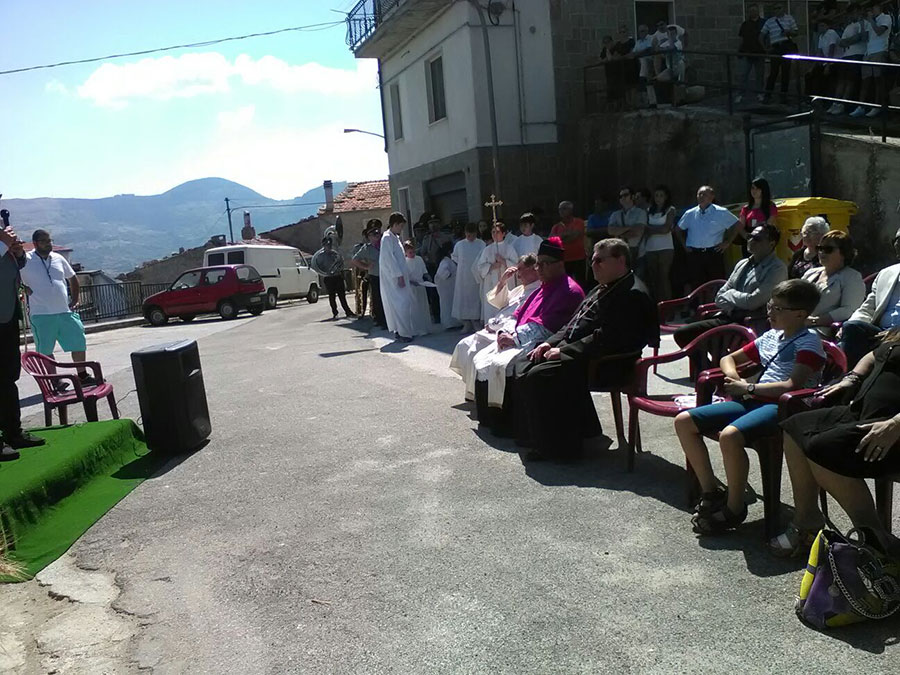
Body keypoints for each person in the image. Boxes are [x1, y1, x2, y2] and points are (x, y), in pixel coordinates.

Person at [674, 279, 825, 535]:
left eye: (778, 309)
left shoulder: (808, 343)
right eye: (770, 306)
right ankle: (711, 490)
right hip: (753, 401)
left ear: (800, 314)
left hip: (783, 407)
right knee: (684, 421)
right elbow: (728, 358)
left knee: (730, 436)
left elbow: (791, 385)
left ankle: (734, 508)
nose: (770, 313)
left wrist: (748, 388)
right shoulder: (771, 337)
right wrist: (734, 377)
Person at [510, 238, 658, 462]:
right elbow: (572, 323)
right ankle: (546, 436)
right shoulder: (602, 287)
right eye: (592, 260)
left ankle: (562, 449)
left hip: (609, 362)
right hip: (585, 352)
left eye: (599, 260)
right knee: (523, 362)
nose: (593, 265)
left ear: (620, 260)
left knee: (539, 375)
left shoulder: (632, 293)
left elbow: (610, 338)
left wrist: (564, 352)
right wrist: (550, 342)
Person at [774, 327, 900, 559]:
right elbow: (873, 356)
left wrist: (895, 424)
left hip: (891, 428)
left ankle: (874, 539)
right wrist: (852, 378)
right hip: (863, 413)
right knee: (795, 427)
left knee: (823, 448)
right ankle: (807, 520)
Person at [473, 237, 584, 418]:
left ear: (558, 265)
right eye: (537, 265)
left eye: (542, 265)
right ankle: (492, 419)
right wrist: (506, 332)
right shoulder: (544, 287)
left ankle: (508, 422)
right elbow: (518, 314)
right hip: (522, 334)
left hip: (544, 341)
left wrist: (514, 338)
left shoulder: (569, 291)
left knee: (501, 364)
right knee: (483, 358)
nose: (538, 269)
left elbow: (549, 325)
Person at [674, 224, 788, 348]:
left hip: (750, 323)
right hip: (729, 316)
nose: (750, 240)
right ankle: (715, 364)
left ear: (771, 244)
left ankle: (720, 362)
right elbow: (719, 298)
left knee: (699, 337)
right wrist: (736, 299)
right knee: (683, 334)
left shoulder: (777, 268)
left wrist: (731, 294)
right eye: (749, 236)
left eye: (757, 238)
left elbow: (753, 301)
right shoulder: (743, 264)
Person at [450, 255, 542, 401]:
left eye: (521, 270)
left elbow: (518, 318)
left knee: (476, 349)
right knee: (464, 344)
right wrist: (503, 281)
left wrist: (497, 327)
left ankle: (481, 394)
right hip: (497, 326)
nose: (518, 274)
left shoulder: (539, 291)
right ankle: (474, 391)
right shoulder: (520, 289)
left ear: (534, 270)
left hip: (508, 331)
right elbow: (500, 303)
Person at [21, 229, 98, 389]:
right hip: (41, 314)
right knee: (45, 350)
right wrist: (23, 288)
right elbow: (13, 278)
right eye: (44, 241)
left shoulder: (58, 258)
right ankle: (55, 381)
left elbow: (72, 278)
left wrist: (75, 299)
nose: (48, 244)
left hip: (64, 311)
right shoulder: (26, 260)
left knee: (78, 341)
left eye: (49, 240)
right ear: (35, 243)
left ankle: (82, 376)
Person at [0, 224, 44, 460]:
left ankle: (13, 432)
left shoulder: (2, 232)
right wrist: (4, 244)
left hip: (7, 315)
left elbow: (16, 266)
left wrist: (17, 252)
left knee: (8, 377)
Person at [839, 226, 900, 367]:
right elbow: (867, 308)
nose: (898, 245)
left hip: (896, 335)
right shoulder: (886, 273)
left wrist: (897, 334)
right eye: (897, 241)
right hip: (879, 333)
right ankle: (845, 378)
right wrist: (850, 324)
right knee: (852, 327)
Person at [802, 230, 867, 338]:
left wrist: (814, 321)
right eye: (819, 248)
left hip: (822, 330)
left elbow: (848, 310)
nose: (821, 252)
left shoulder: (852, 277)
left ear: (844, 253)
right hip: (795, 324)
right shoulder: (810, 273)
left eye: (828, 249)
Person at [674, 185, 739, 290]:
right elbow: (678, 229)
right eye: (699, 194)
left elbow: (737, 224)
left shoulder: (721, 212)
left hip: (713, 252)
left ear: (712, 196)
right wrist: (684, 245)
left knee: (715, 282)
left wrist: (727, 242)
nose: (701, 196)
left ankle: (715, 305)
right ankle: (699, 305)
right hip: (695, 253)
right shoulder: (690, 213)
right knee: (696, 283)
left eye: (704, 194)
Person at [379, 212, 420, 342]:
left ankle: (401, 330)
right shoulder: (386, 238)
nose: (401, 229)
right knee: (401, 304)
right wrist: (398, 275)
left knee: (401, 303)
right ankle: (404, 333)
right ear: (395, 224)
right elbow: (389, 260)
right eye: (400, 226)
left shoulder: (394, 237)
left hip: (400, 275)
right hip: (394, 278)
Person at [850, 2, 892, 118]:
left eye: (873, 8)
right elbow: (865, 37)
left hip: (879, 51)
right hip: (868, 52)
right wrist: (863, 24)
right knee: (866, 80)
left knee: (878, 80)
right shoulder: (869, 22)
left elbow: (879, 31)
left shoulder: (885, 18)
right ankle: (861, 106)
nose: (871, 11)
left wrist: (871, 20)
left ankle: (877, 106)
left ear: (878, 7)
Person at [474, 222, 519, 324]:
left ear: (503, 234)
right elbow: (480, 267)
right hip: (491, 282)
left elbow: (516, 265)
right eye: (493, 232)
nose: (495, 234)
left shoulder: (509, 248)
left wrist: (503, 261)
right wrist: (491, 266)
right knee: (492, 305)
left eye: (498, 232)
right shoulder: (487, 250)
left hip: (507, 282)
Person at [828, 3, 866, 115]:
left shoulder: (863, 24)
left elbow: (859, 38)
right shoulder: (849, 26)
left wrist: (848, 41)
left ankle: (843, 104)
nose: (852, 15)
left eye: (854, 12)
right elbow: (841, 43)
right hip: (846, 55)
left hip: (857, 54)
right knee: (842, 80)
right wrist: (849, 41)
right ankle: (835, 102)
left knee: (850, 81)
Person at [760, 3, 799, 104]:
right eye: (775, 8)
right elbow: (761, 35)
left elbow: (796, 32)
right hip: (776, 47)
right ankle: (768, 95)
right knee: (773, 72)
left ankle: (783, 96)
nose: (777, 10)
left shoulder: (789, 19)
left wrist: (788, 32)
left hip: (786, 46)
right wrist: (765, 49)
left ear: (783, 8)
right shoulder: (770, 21)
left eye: (779, 7)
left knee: (786, 72)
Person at [643, 185, 677, 301]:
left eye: (661, 196)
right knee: (653, 278)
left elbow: (666, 229)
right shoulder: (649, 210)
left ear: (666, 197)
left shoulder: (670, 209)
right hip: (650, 247)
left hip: (665, 247)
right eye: (656, 195)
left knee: (664, 277)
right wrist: (657, 229)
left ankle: (668, 306)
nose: (658, 198)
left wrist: (651, 229)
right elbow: (644, 228)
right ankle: (656, 304)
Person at [451, 222, 486, 332]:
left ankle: (476, 322)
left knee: (476, 298)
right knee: (464, 299)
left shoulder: (481, 244)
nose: (470, 237)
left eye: (472, 234)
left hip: (476, 276)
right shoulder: (460, 245)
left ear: (476, 233)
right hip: (463, 277)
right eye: (468, 234)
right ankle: (466, 323)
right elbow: (455, 257)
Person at [351, 219, 386, 329]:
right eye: (373, 234)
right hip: (375, 275)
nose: (376, 236)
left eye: (378, 233)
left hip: (388, 275)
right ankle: (381, 321)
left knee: (388, 298)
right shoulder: (367, 249)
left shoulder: (386, 243)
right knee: (377, 299)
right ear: (369, 236)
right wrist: (366, 267)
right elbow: (355, 260)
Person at [310, 236, 356, 320]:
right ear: (323, 245)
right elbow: (318, 266)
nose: (329, 246)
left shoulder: (335, 254)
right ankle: (335, 312)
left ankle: (348, 312)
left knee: (342, 296)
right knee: (332, 296)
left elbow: (341, 264)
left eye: (330, 245)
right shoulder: (320, 256)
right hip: (328, 278)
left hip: (337, 276)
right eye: (327, 245)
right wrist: (327, 271)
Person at [417, 215, 451, 323]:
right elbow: (423, 252)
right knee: (433, 292)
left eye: (435, 223)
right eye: (431, 223)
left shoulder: (445, 236)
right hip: (432, 266)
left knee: (446, 292)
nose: (433, 225)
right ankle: (437, 316)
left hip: (443, 266)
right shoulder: (427, 238)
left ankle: (447, 314)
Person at [607, 187, 647, 273]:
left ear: (632, 196)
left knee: (639, 281)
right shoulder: (615, 214)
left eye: (625, 195)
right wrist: (629, 227)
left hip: (638, 254)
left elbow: (638, 231)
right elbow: (610, 231)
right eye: (620, 196)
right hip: (620, 253)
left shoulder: (641, 213)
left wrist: (619, 232)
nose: (622, 198)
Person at [550, 201, 587, 288]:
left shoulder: (579, 222)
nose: (561, 211)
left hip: (579, 258)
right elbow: (551, 241)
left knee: (581, 284)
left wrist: (560, 238)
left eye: (564, 209)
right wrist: (566, 235)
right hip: (563, 260)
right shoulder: (556, 226)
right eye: (560, 209)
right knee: (565, 285)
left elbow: (574, 237)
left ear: (571, 210)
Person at [737, 177, 778, 255]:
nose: (754, 191)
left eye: (757, 188)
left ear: (763, 190)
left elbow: (770, 222)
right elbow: (740, 226)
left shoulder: (770, 206)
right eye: (752, 188)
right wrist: (746, 236)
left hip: (764, 240)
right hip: (749, 241)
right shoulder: (746, 208)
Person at [737, 4, 766, 104]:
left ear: (757, 11)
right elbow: (741, 38)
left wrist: (766, 49)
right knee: (743, 75)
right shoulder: (745, 24)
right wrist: (739, 50)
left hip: (759, 52)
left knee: (760, 75)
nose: (752, 12)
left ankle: (760, 93)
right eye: (750, 11)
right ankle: (741, 94)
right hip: (746, 52)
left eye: (754, 10)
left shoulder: (763, 23)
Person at [403, 240, 433, 337]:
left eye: (413, 252)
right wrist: (412, 282)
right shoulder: (404, 262)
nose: (412, 254)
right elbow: (405, 277)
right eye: (410, 252)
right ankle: (415, 329)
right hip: (411, 287)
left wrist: (427, 276)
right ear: (406, 253)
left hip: (420, 285)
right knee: (414, 308)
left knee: (422, 306)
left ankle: (424, 327)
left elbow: (424, 271)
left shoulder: (419, 259)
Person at [434, 243, 462, 330]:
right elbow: (442, 273)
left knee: (450, 304)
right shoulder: (445, 261)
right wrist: (449, 275)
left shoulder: (448, 260)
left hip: (450, 287)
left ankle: (454, 322)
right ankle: (449, 324)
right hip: (446, 287)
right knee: (447, 305)